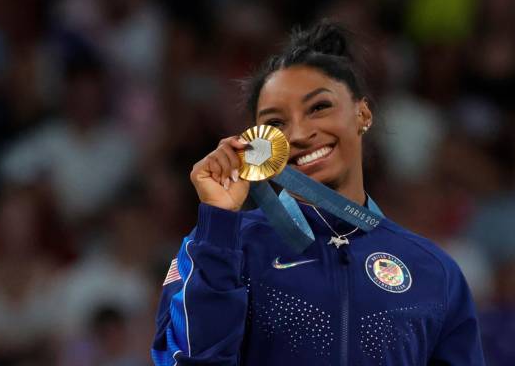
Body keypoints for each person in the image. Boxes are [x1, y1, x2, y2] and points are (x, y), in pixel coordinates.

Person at [150, 20, 486, 365]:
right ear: (259, 144)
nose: (298, 134)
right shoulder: (217, 248)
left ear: (363, 114)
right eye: (276, 123)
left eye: (319, 107)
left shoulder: (433, 271)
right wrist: (219, 224)